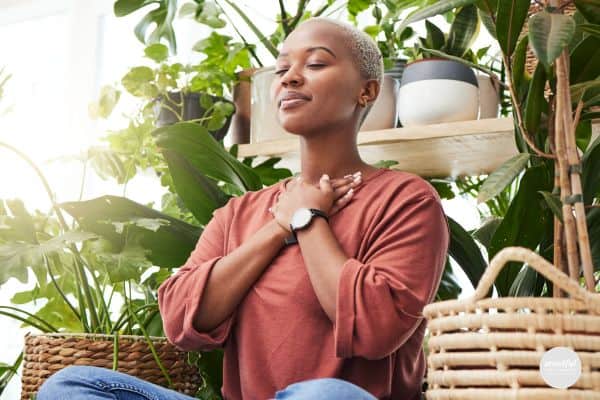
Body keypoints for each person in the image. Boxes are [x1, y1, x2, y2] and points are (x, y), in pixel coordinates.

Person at [37, 16, 449, 400]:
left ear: (368, 90)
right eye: (283, 67)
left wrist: (309, 220)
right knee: (71, 385)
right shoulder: (240, 213)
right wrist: (277, 226)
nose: (289, 76)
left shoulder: (406, 200)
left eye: (317, 63)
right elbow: (181, 318)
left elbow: (375, 330)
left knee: (326, 395)